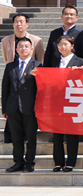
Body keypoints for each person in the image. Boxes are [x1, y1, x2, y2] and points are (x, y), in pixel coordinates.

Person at [2, 37, 41, 172]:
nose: (23, 49)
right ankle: (18, 162)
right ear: (16, 49)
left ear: (31, 49)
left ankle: (29, 162)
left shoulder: (38, 66)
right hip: (13, 107)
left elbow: (41, 89)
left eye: (26, 46)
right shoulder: (10, 66)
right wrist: (5, 108)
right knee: (16, 138)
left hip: (30, 108)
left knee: (31, 137)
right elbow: (5, 88)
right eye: (21, 46)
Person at [50, 35, 83, 172]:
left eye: (65, 44)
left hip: (72, 101)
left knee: (71, 133)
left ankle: (70, 162)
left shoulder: (80, 61)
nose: (63, 47)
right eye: (60, 45)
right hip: (57, 101)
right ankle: (58, 162)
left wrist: (81, 71)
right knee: (57, 134)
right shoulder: (54, 60)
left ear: (72, 46)